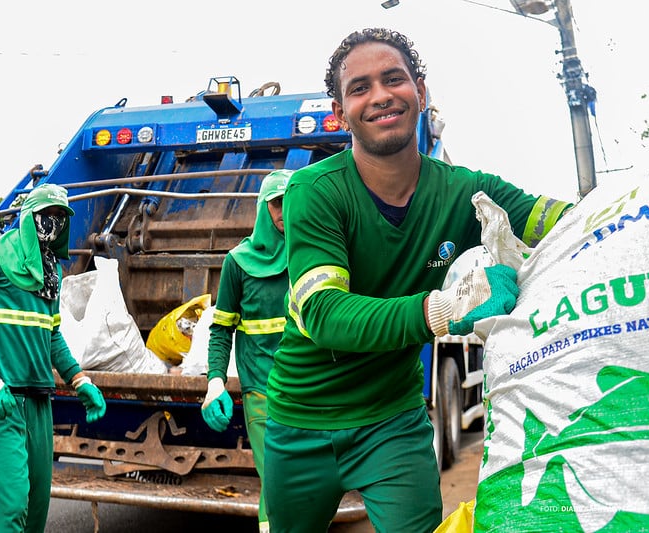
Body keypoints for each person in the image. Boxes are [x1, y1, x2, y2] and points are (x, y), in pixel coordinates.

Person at [262, 28, 573, 533]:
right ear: (339, 113)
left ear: (420, 92)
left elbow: (565, 222)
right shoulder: (314, 191)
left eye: (393, 79)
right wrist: (448, 308)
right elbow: (324, 313)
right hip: (301, 423)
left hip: (393, 421)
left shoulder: (466, 192)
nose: (381, 95)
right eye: (359, 88)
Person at [0, 183, 106, 533]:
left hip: (39, 403)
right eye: (47, 216)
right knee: (11, 509)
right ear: (27, 218)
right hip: (0, 401)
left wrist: (80, 379)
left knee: (35, 513)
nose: (54, 224)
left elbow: (51, 335)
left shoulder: (52, 273)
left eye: (61, 218)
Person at [200, 169, 292, 533]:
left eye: (290, 201)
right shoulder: (237, 263)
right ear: (262, 208)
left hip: (308, 386)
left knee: (306, 480)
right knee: (276, 475)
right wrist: (215, 383)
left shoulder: (312, 253)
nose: (284, 210)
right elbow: (221, 329)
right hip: (261, 391)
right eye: (276, 203)